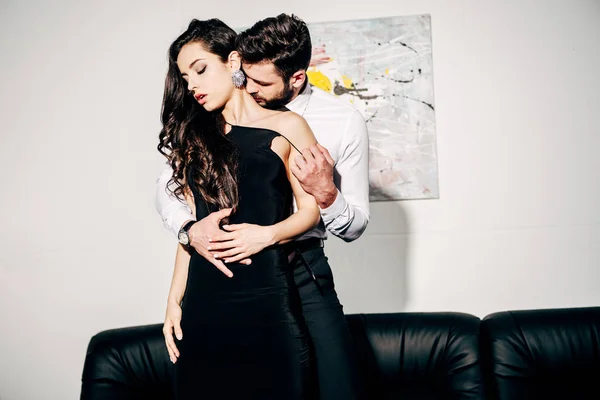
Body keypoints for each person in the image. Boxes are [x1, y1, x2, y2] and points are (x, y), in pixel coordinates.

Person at [157, 14, 370, 400]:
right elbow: (191, 222)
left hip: (290, 271)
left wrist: (310, 204)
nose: (193, 87)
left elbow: (320, 214)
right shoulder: (198, 134)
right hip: (210, 291)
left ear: (296, 78)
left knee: (327, 384)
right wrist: (173, 299)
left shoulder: (316, 122)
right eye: (186, 79)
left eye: (201, 70)